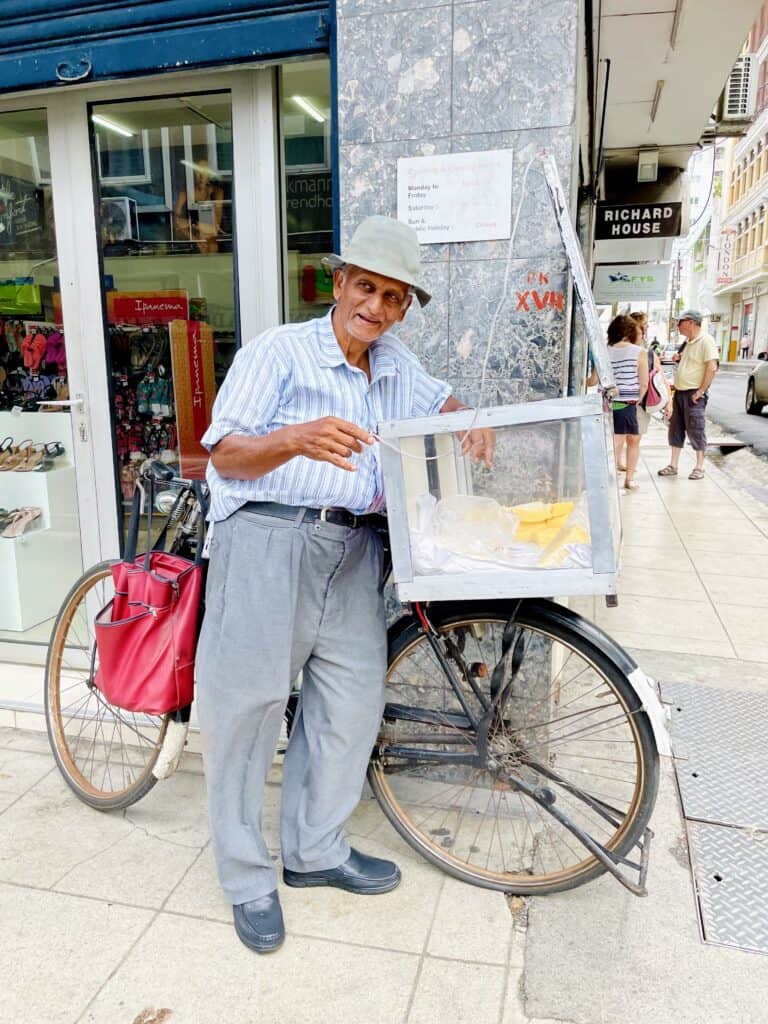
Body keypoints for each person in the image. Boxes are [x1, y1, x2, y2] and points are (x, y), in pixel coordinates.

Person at [195, 215, 495, 954]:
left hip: (357, 550)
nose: (378, 308)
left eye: (394, 298)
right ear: (339, 283)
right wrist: (294, 438)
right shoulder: (281, 352)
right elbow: (226, 452)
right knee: (249, 708)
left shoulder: (392, 362)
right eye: (367, 288)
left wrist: (470, 419)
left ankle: (315, 851)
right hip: (269, 538)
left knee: (350, 705)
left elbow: (439, 402)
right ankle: (245, 876)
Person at [658, 309, 718, 481]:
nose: (678, 326)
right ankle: (673, 464)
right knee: (675, 428)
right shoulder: (688, 342)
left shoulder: (706, 341)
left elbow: (712, 367)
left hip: (693, 393)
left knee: (696, 428)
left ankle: (699, 466)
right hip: (680, 392)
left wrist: (701, 391)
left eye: (680, 322)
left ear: (691, 322)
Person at [604, 314, 648, 490]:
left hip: (607, 402)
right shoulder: (639, 352)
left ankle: (606, 477)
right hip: (627, 403)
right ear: (630, 331)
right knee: (630, 442)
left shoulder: (606, 350)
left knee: (612, 441)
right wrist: (638, 400)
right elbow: (643, 383)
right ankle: (629, 479)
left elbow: (594, 379)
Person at [173, 158, 225, 253]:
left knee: (212, 248)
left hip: (211, 243)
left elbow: (215, 227)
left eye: (204, 172)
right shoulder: (185, 193)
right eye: (198, 171)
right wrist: (196, 241)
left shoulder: (217, 193)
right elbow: (176, 224)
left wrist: (192, 223)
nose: (201, 176)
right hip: (192, 242)